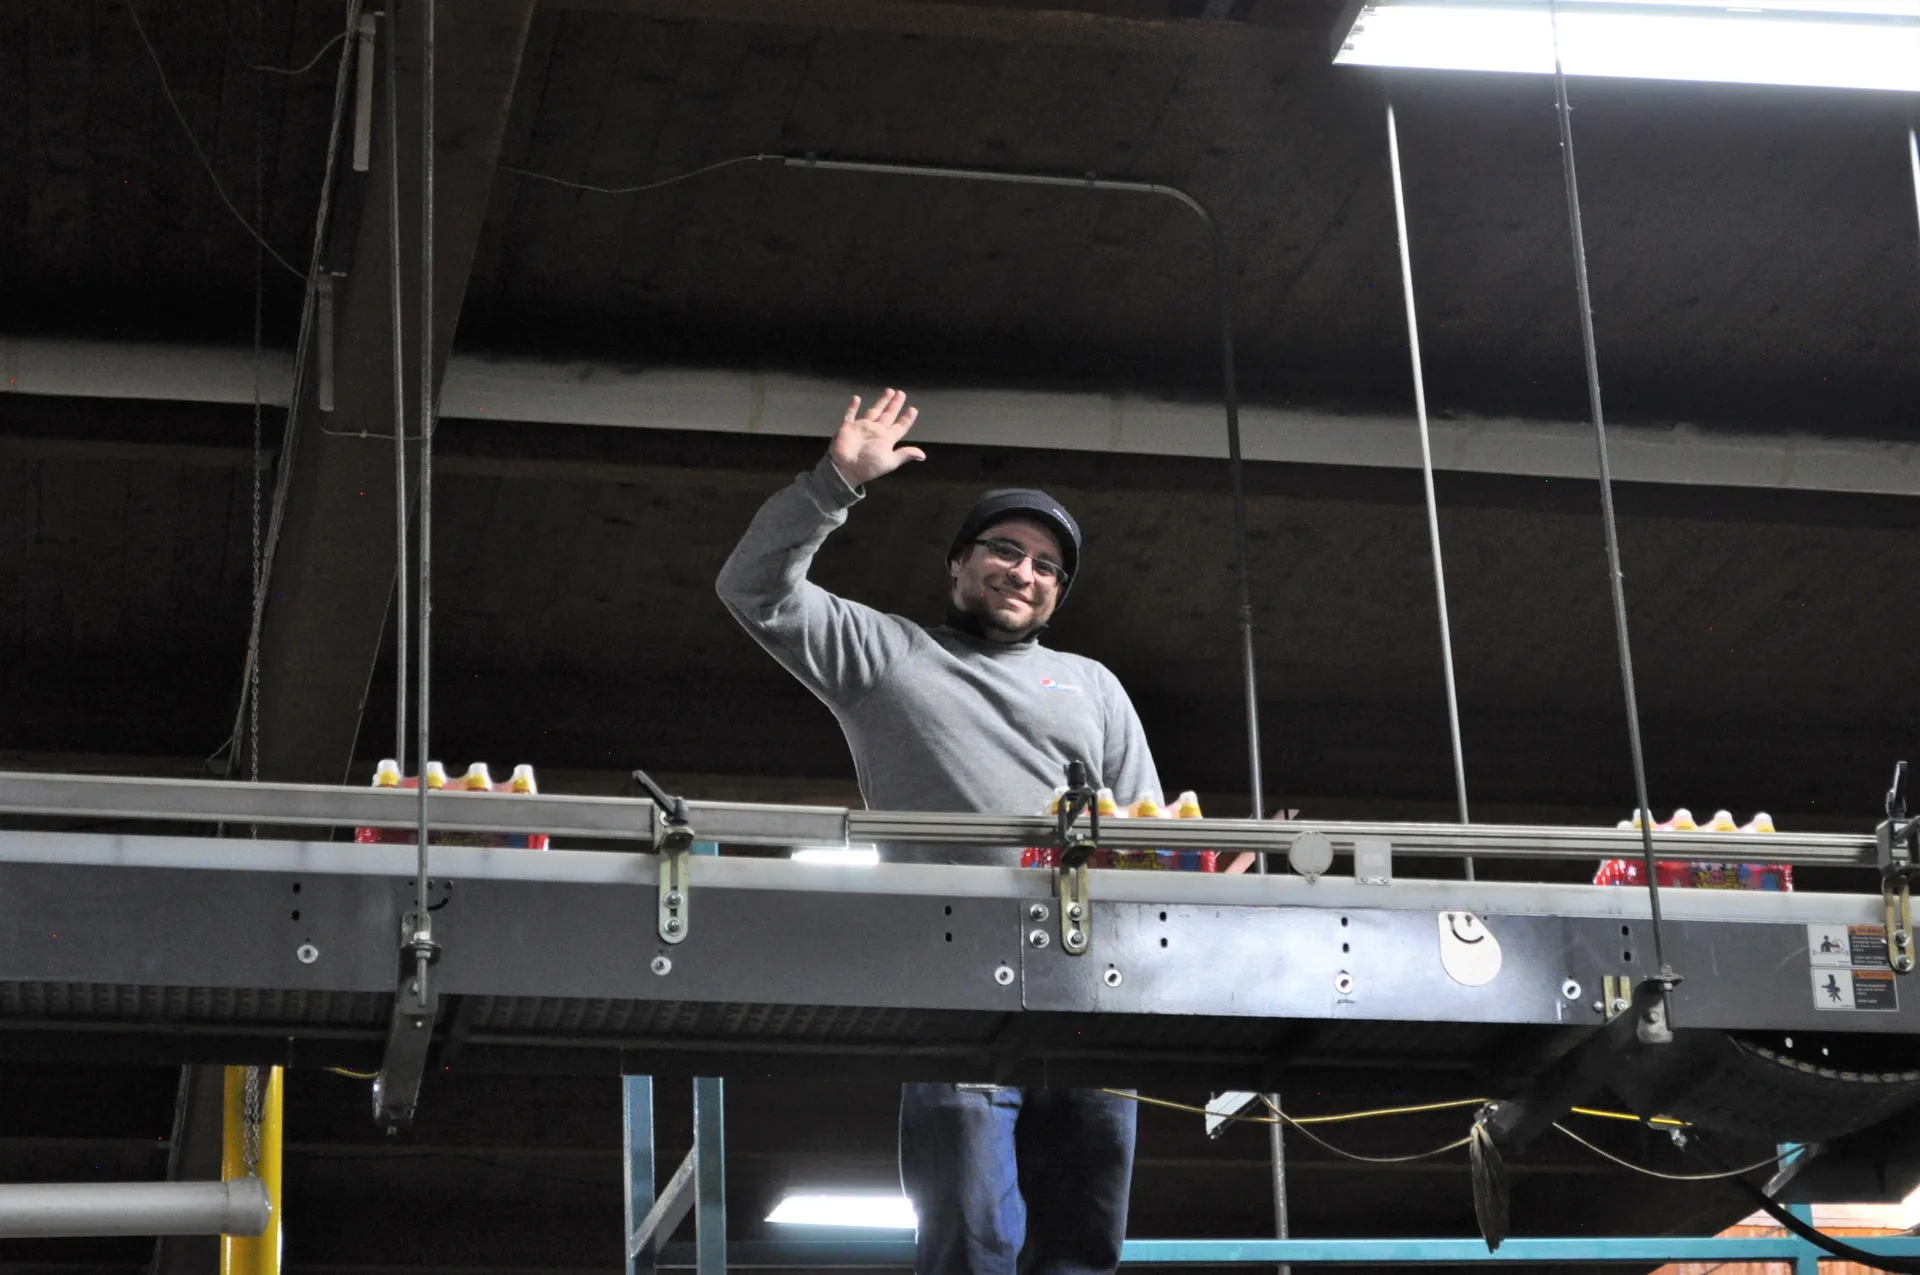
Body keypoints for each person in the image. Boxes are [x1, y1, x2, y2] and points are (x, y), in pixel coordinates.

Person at [717, 388, 1162, 1275]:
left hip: (1087, 980)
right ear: (958, 564)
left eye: (1045, 565)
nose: (1024, 572)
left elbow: (1145, 833)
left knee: (1084, 1225)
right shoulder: (889, 657)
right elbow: (754, 588)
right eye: (1005, 549)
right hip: (956, 970)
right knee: (966, 1219)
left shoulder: (1092, 684)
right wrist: (836, 482)